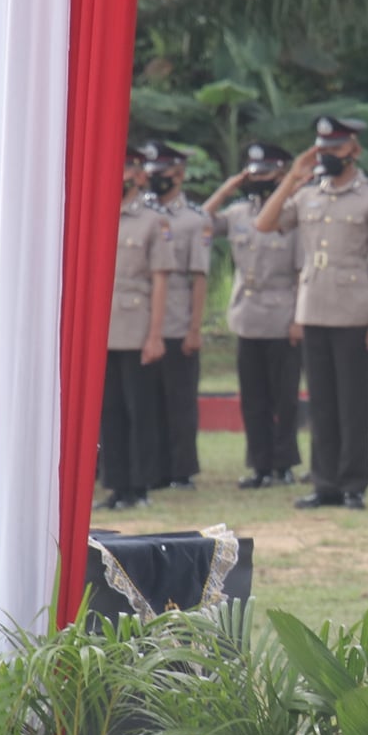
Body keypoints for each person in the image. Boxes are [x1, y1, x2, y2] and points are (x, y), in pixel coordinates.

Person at [255, 115, 368, 511]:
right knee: (320, 402)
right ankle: (324, 482)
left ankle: (352, 484)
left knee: (352, 402)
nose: (328, 156)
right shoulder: (308, 194)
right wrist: (292, 179)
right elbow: (265, 224)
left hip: (354, 309)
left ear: (354, 150)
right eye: (323, 149)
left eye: (335, 149)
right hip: (313, 307)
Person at [203, 142, 302, 489]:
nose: (258, 179)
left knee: (284, 398)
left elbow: (303, 271)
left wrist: (298, 319)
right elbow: (201, 223)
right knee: (254, 397)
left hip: (283, 312)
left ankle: (284, 463)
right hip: (247, 313)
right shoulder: (238, 213)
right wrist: (229, 187)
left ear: (282, 173)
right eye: (253, 173)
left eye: (266, 173)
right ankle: (259, 465)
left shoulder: (291, 214)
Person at [98, 147, 174, 511]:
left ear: (140, 175)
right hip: (103, 329)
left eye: (126, 167)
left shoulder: (152, 221)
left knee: (139, 409)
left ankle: (140, 484)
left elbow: (160, 281)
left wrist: (155, 334)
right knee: (109, 411)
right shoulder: (96, 214)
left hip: (137, 324)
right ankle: (116, 484)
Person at [143, 141, 211, 490]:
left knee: (179, 400)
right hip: (143, 324)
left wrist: (194, 328)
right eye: (151, 173)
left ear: (180, 175)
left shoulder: (193, 220)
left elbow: (199, 278)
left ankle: (181, 469)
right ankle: (152, 468)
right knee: (148, 402)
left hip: (177, 318)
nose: (156, 180)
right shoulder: (141, 215)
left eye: (164, 173)